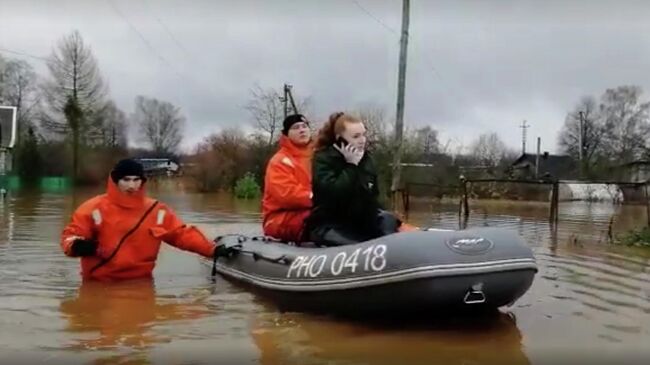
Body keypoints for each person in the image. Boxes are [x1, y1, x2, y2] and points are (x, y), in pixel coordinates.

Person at [60, 158, 233, 281]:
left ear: (142, 182)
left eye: (136, 180)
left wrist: (212, 250)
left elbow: (180, 235)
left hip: (141, 282)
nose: (131, 186)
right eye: (126, 180)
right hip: (98, 284)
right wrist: (78, 246)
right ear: (115, 180)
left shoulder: (156, 210)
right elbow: (69, 237)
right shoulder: (92, 208)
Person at [304, 112, 404, 246]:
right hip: (331, 222)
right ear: (340, 139)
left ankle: (391, 247)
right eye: (356, 136)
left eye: (363, 134)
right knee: (349, 242)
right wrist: (351, 166)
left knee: (387, 219)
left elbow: (373, 195)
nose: (362, 140)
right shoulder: (323, 159)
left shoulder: (367, 159)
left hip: (361, 221)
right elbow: (333, 193)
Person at [262, 114, 314, 243]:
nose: (302, 130)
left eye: (304, 126)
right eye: (296, 128)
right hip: (281, 218)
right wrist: (320, 198)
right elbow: (288, 196)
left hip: (315, 210)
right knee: (322, 217)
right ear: (286, 134)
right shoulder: (279, 161)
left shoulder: (320, 157)